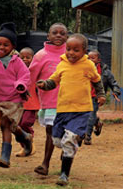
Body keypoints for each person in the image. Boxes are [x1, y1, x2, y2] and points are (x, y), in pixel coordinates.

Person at [36, 34, 106, 186]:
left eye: (76, 50)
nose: (71, 53)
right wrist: (45, 84)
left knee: (68, 141)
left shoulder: (88, 65)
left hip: (81, 110)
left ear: (84, 51)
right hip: (62, 109)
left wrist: (100, 94)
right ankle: (72, 144)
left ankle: (64, 175)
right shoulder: (62, 64)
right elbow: (54, 81)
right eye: (68, 49)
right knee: (56, 140)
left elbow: (97, 80)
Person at [0, 23, 32, 168]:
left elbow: (25, 75)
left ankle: (5, 157)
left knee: (5, 125)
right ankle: (24, 136)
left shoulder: (17, 62)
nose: (1, 47)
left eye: (6, 45)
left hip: (13, 100)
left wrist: (20, 85)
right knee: (11, 126)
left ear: (13, 47)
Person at [29, 23, 67, 176]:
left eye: (62, 33)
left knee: (68, 132)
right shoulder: (41, 55)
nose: (58, 35)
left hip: (70, 102)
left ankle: (65, 163)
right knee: (50, 132)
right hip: (50, 102)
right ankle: (45, 163)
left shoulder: (72, 54)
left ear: (67, 36)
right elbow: (31, 78)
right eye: (55, 33)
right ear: (48, 36)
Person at [84, 50, 121, 145]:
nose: (90, 60)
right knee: (85, 115)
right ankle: (97, 122)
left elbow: (113, 83)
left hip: (96, 97)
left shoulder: (105, 72)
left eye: (93, 58)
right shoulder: (83, 69)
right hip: (83, 96)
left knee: (90, 115)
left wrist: (116, 91)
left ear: (98, 60)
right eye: (88, 58)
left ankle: (87, 136)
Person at [15, 47, 38, 157]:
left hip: (32, 104)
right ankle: (24, 147)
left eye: (28, 57)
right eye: (22, 57)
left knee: (25, 123)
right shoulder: (17, 70)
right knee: (17, 126)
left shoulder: (35, 70)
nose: (25, 59)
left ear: (33, 58)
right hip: (19, 104)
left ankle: (30, 140)